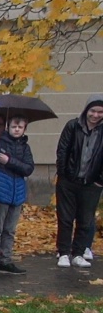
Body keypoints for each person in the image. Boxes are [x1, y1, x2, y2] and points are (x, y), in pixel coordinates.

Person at [55, 95, 103, 268]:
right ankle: (64, 252)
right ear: (86, 111)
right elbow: (62, 151)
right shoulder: (73, 126)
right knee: (66, 218)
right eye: (93, 111)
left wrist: (100, 181)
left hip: (92, 183)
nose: (96, 115)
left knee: (85, 220)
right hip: (68, 181)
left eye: (100, 111)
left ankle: (79, 253)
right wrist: (63, 174)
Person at [0, 115, 35, 275]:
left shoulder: (26, 148)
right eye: (14, 126)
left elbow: (28, 168)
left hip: (17, 193)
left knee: (10, 230)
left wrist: (9, 161)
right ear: (8, 127)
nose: (16, 129)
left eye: (20, 127)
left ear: (24, 129)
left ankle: (6, 259)